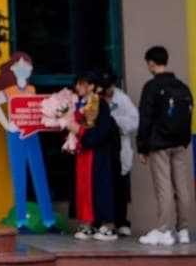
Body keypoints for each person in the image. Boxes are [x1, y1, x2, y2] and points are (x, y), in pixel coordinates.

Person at [0, 52, 58, 232]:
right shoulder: (10, 91)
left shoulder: (32, 90)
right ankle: (20, 222)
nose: (24, 69)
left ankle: (49, 221)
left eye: (27, 66)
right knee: (19, 176)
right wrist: (6, 124)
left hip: (32, 133)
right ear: (12, 69)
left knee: (39, 174)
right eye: (20, 66)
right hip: (16, 134)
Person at [136, 45, 194, 246]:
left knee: (164, 187)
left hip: (159, 144)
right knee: (182, 187)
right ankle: (184, 230)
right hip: (180, 142)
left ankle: (163, 230)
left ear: (151, 63)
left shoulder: (152, 87)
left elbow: (145, 119)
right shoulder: (182, 87)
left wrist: (142, 147)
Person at [67, 72, 120, 241]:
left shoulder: (99, 104)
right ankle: (87, 222)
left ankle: (108, 225)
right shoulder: (78, 104)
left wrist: (80, 132)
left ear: (91, 86)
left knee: (101, 187)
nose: (78, 87)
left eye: (82, 84)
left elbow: (104, 131)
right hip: (83, 152)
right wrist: (70, 141)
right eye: (77, 84)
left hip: (98, 153)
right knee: (83, 188)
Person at [102, 71, 139, 235]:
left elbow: (134, 120)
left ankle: (121, 221)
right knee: (104, 185)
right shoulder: (97, 99)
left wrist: (114, 122)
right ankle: (104, 221)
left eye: (108, 86)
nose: (106, 90)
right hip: (103, 146)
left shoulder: (122, 99)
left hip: (120, 145)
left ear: (113, 85)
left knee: (120, 185)